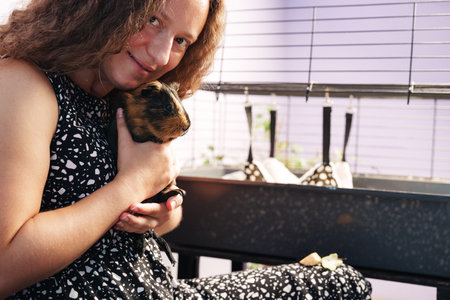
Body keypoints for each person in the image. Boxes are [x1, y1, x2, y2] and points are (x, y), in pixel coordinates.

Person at [0, 0, 372, 299]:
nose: (161, 56)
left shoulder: (122, 98)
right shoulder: (23, 85)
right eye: (152, 20)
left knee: (338, 280)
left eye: (181, 41)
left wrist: (162, 210)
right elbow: (5, 265)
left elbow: (160, 218)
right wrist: (132, 184)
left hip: (158, 288)